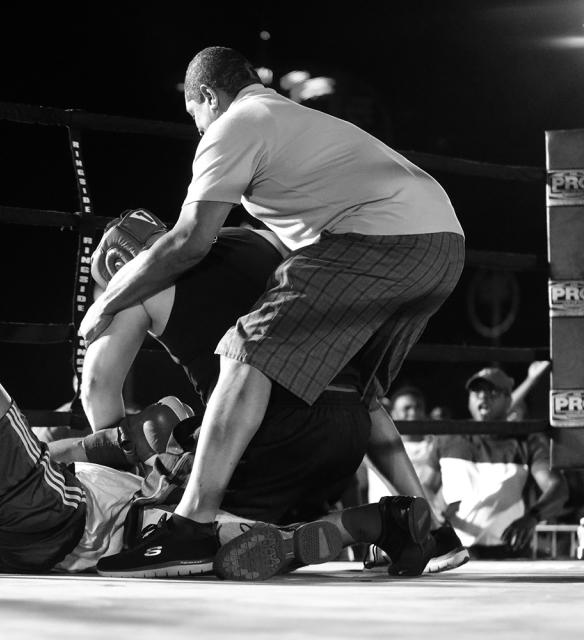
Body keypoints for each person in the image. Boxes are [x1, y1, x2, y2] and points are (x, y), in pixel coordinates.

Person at [79, 46, 465, 576]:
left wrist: (110, 301)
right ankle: (436, 532)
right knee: (361, 386)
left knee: (246, 349)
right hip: (442, 244)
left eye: (194, 114)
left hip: (383, 235)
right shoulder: (291, 125)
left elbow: (190, 240)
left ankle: (191, 526)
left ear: (208, 96)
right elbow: (286, 255)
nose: (197, 129)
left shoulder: (235, 124)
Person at [0, 325, 430, 581]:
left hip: (57, 523)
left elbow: (265, 542)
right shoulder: (157, 447)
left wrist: (365, 527)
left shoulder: (191, 508)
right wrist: (146, 430)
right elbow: (84, 444)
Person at [75, 210, 465, 575]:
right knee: (331, 393)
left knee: (162, 518)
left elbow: (96, 386)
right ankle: (417, 526)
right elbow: (366, 393)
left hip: (268, 436)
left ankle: (341, 529)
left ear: (116, 269)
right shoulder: (255, 238)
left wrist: (123, 459)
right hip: (348, 430)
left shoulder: (137, 283)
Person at [435, 367, 567, 558]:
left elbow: (557, 486)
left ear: (508, 400)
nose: (483, 397)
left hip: (510, 552)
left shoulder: (527, 441)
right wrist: (434, 509)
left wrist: (532, 517)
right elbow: (424, 483)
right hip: (453, 553)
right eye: (477, 392)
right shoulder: (448, 438)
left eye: (492, 392)